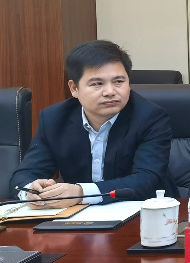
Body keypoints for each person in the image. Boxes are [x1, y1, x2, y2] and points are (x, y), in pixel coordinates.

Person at [11, 40, 173, 208]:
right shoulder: (55, 119)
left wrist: (81, 193)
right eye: (97, 84)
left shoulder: (150, 117)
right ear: (74, 88)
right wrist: (30, 191)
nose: (110, 92)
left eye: (119, 81)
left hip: (144, 212)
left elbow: (147, 179)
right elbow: (25, 174)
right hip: (77, 216)